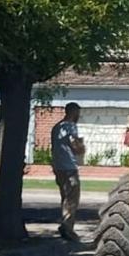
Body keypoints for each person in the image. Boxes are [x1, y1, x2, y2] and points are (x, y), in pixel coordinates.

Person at [51, 103, 86, 241]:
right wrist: (81, 148)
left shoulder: (56, 127)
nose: (78, 116)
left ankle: (64, 224)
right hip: (69, 167)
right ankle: (68, 229)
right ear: (73, 112)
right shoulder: (70, 126)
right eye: (77, 113)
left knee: (64, 197)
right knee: (72, 199)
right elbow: (75, 144)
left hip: (58, 167)